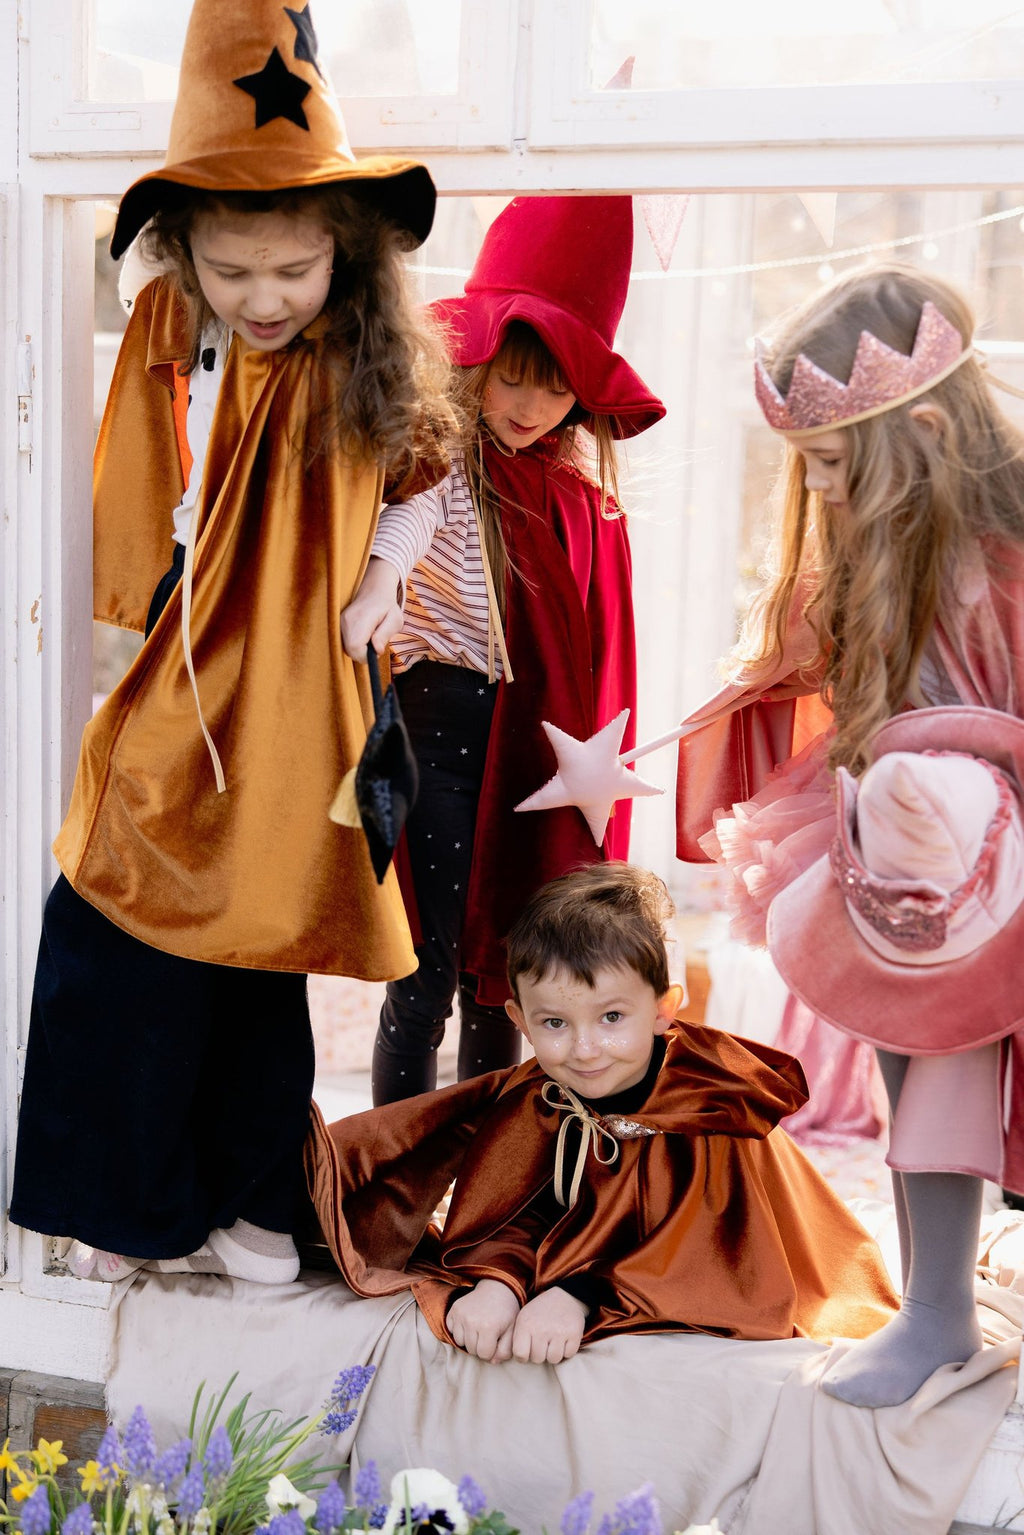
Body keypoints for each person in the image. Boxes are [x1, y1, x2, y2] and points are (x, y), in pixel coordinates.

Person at [9, 0, 452, 1284]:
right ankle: (140, 1201)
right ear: (186, 252)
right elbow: (141, 506)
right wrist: (136, 616)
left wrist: (379, 583)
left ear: (346, 255)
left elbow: (425, 481)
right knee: (120, 906)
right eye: (234, 269)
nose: (264, 298)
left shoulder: (371, 351)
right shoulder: (170, 332)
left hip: (306, 683)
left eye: (294, 270)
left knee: (272, 928)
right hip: (191, 667)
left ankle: (259, 1197)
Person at [675, 261, 1024, 1406]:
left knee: (969, 1050)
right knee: (906, 1023)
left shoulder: (1009, 547)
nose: (817, 490)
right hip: (904, 846)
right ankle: (933, 1303)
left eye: (832, 464)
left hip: (1001, 847)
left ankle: (941, 1308)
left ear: (920, 429)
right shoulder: (878, 538)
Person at [339, 195, 665, 1104]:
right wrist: (376, 586)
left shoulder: (573, 494)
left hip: (533, 754)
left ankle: (486, 1182)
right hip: (438, 735)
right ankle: (397, 1180)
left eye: (557, 386)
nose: (530, 406)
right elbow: (406, 523)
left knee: (513, 986)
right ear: (474, 359)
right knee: (425, 978)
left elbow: (595, 647)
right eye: (514, 377)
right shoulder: (443, 456)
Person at [305, 863, 897, 1365]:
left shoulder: (710, 1107)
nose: (584, 1049)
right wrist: (500, 1281)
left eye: (612, 1017)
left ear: (665, 1008)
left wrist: (580, 1293)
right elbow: (517, 1205)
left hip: (718, 1257)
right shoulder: (539, 1095)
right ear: (519, 1019)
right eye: (555, 1024)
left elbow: (709, 1251)